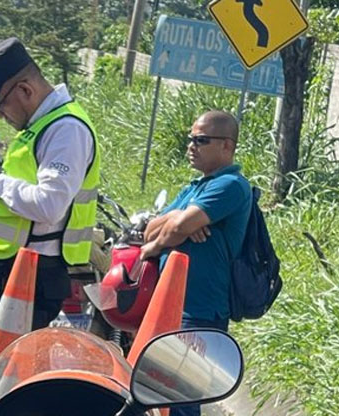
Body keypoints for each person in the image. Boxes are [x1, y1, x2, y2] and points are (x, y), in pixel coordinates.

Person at [0, 37, 101, 408]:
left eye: (1, 105)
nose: (0, 115)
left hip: (26, 278)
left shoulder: (66, 130)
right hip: (7, 272)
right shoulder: (43, 126)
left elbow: (50, 204)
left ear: (25, 89)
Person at [139, 110, 252, 416]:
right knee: (156, 394)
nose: (192, 146)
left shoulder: (231, 185)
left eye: (201, 140)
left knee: (181, 400)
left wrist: (155, 245)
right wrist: (180, 219)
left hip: (200, 313)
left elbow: (165, 233)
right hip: (170, 305)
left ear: (227, 146)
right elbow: (152, 226)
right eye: (191, 139)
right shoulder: (195, 187)